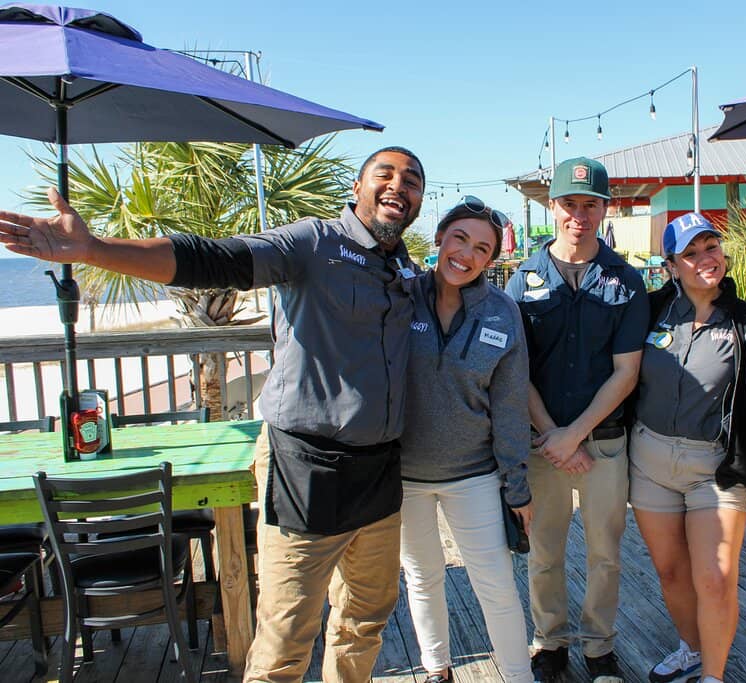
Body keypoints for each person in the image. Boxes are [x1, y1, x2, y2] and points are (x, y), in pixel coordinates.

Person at [0, 147, 426, 683]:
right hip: (307, 466)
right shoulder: (313, 243)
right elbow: (214, 258)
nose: (398, 185)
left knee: (365, 619)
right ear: (357, 188)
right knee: (287, 636)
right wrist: (94, 249)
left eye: (411, 180)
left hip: (381, 470)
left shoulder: (403, 267)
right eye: (384, 174)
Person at [506, 157, 648, 683]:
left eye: (590, 204)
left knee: (605, 554)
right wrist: (554, 437)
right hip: (543, 445)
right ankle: (549, 643)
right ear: (553, 205)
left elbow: (626, 373)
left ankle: (599, 646)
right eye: (570, 204)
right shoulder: (522, 281)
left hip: (604, 444)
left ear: (604, 208)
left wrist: (576, 434)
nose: (579, 215)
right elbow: (515, 372)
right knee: (544, 552)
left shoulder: (626, 281)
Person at [399, 196, 534, 683]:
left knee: (495, 584)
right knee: (422, 576)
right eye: (459, 238)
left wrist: (517, 486)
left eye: (482, 248)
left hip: (474, 475)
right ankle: (437, 669)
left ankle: (519, 676)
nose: (467, 254)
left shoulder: (502, 312)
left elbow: (511, 405)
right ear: (439, 238)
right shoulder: (399, 296)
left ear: (491, 260)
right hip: (402, 476)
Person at [631, 213, 746, 683]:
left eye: (711, 247)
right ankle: (692, 649)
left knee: (716, 578)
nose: (705, 259)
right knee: (671, 573)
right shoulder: (647, 311)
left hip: (715, 467)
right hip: (649, 460)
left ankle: (714, 676)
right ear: (671, 264)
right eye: (691, 252)